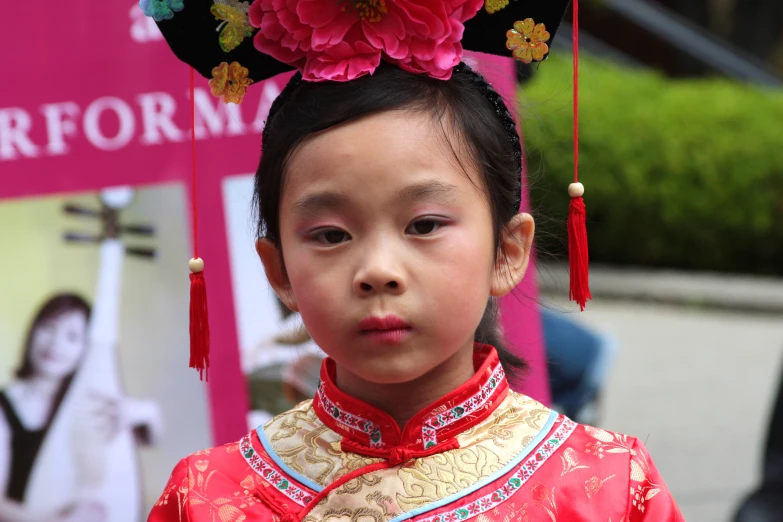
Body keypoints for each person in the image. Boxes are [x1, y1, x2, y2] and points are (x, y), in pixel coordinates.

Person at [146, 0, 684, 520]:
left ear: (507, 251)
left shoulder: (609, 489)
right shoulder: (209, 498)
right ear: (279, 271)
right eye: (331, 235)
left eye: (424, 226)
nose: (379, 270)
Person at [0, 293, 161, 522]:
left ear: (87, 349)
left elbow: (149, 438)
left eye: (72, 336)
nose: (55, 343)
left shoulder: (86, 401)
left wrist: (147, 410)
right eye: (48, 327)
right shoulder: (6, 404)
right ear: (32, 331)